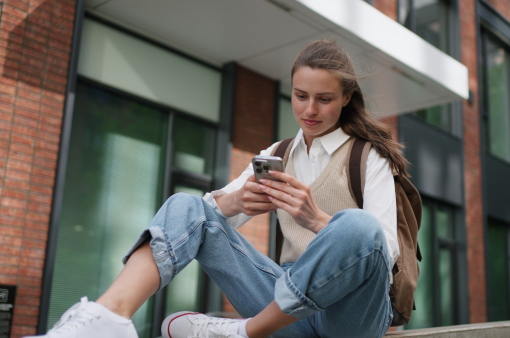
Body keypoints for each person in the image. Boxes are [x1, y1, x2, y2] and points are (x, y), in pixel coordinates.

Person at [28, 40, 410, 338]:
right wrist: (234, 202)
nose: (310, 109)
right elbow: (199, 221)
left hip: (352, 317)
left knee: (358, 226)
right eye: (300, 95)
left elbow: (383, 248)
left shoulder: (369, 155)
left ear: (345, 98)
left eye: (324, 99)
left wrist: (317, 220)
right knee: (186, 204)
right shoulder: (277, 154)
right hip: (288, 310)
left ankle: (247, 332)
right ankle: (109, 316)